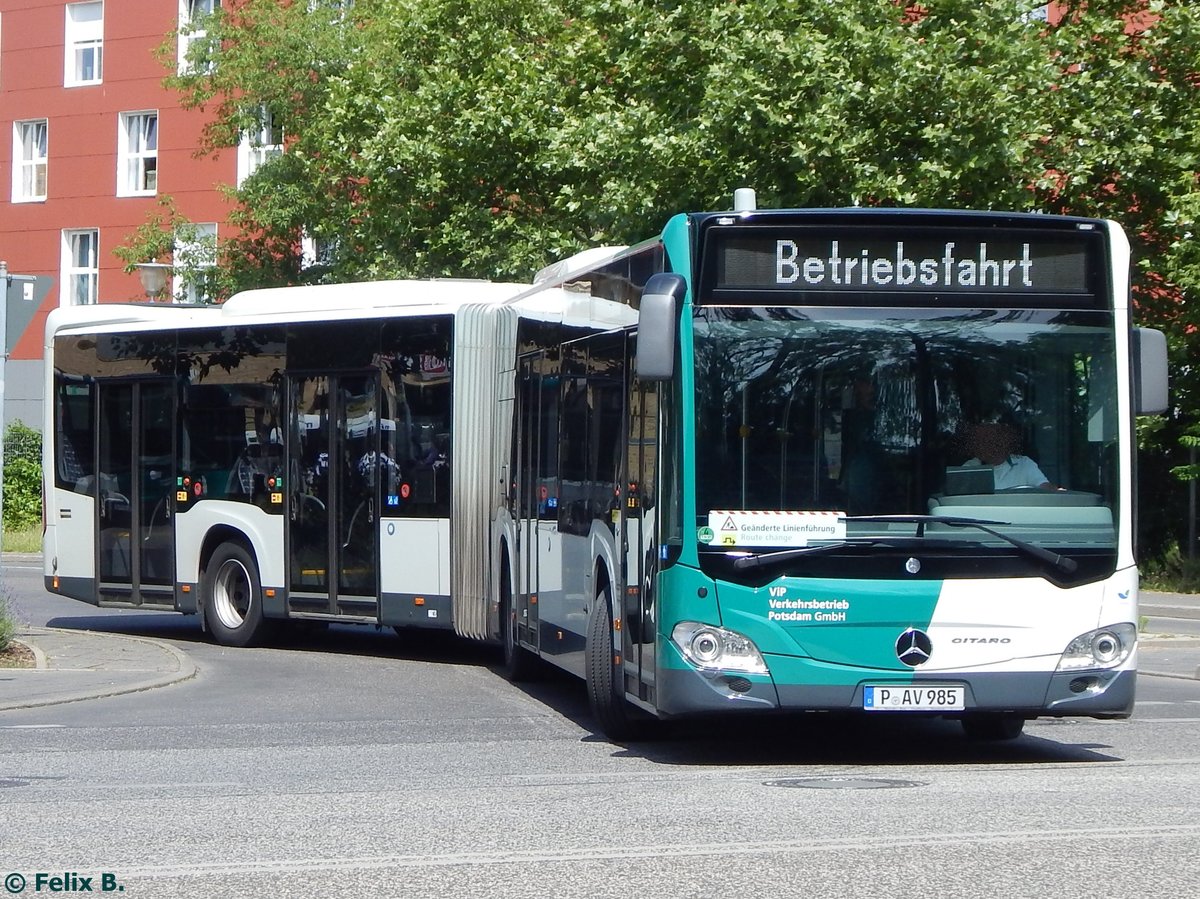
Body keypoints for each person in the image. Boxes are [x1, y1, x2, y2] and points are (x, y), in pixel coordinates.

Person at [961, 420, 1053, 490]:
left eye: (992, 439)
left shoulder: (1024, 464)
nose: (988, 445)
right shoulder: (970, 467)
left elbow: (1045, 490)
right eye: (982, 441)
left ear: (1005, 441)